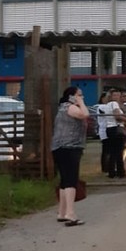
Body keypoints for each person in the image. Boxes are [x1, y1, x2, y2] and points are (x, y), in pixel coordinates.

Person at [51, 85, 88, 227]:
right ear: (72, 96)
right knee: (71, 180)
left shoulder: (62, 108)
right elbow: (84, 114)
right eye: (79, 94)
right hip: (70, 147)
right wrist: (81, 102)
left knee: (64, 181)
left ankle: (62, 212)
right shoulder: (70, 107)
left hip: (59, 147)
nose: (82, 97)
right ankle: (71, 214)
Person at [103, 88, 126, 179]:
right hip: (116, 129)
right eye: (115, 95)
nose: (117, 97)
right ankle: (120, 172)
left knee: (113, 152)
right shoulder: (114, 104)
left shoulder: (107, 105)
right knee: (118, 152)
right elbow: (117, 116)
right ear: (111, 96)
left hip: (110, 129)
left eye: (118, 95)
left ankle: (112, 171)